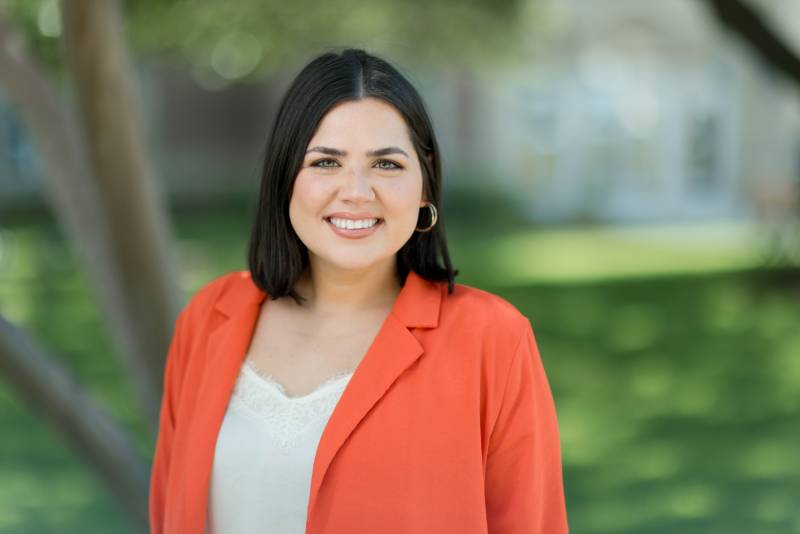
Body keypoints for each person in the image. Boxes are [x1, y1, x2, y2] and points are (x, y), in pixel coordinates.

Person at [149, 47, 569, 534]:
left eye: (386, 165)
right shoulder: (209, 318)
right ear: (286, 177)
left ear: (425, 184)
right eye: (326, 162)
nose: (357, 191)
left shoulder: (492, 341)